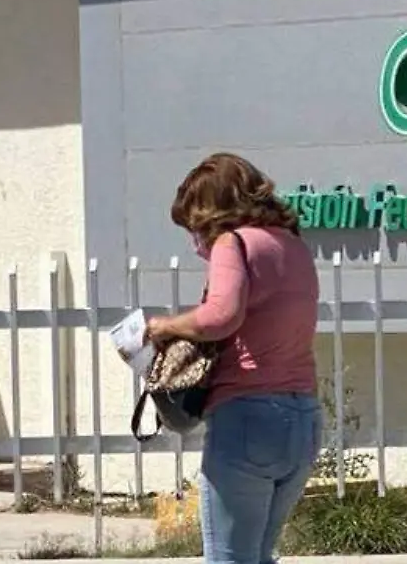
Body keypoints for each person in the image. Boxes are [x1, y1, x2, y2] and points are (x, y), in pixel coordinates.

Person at [144, 152, 322, 564]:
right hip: (303, 418)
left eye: (196, 226)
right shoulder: (293, 245)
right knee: (259, 556)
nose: (197, 243)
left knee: (230, 559)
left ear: (213, 212)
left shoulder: (233, 242)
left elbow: (220, 316)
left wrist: (165, 327)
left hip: (247, 419)